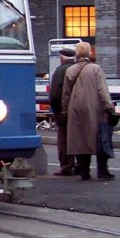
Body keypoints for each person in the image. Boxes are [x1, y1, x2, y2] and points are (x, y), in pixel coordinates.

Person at [61, 41, 114, 181]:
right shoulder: (95, 69)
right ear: (89, 53)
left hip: (75, 108)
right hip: (94, 108)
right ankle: (103, 171)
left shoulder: (70, 70)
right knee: (99, 138)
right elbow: (103, 91)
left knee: (80, 139)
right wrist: (109, 108)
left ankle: (84, 171)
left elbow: (65, 94)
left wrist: (65, 110)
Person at [49, 47, 77, 176]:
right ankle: (81, 165)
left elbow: (54, 94)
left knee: (64, 139)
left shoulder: (60, 71)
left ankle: (67, 166)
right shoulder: (79, 69)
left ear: (61, 58)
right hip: (79, 109)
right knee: (78, 138)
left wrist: (56, 112)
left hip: (64, 110)